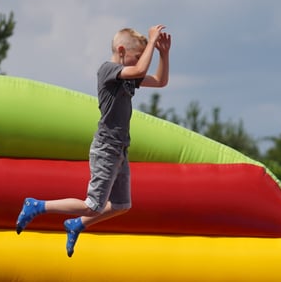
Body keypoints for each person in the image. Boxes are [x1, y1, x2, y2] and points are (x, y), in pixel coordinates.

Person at [15, 25, 172, 257]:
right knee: (92, 205)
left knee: (121, 205)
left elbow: (160, 81)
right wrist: (150, 43)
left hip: (120, 148)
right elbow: (139, 69)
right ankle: (37, 205)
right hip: (106, 147)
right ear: (121, 50)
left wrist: (163, 54)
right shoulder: (108, 70)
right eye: (137, 55)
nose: (140, 61)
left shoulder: (128, 78)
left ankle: (77, 224)